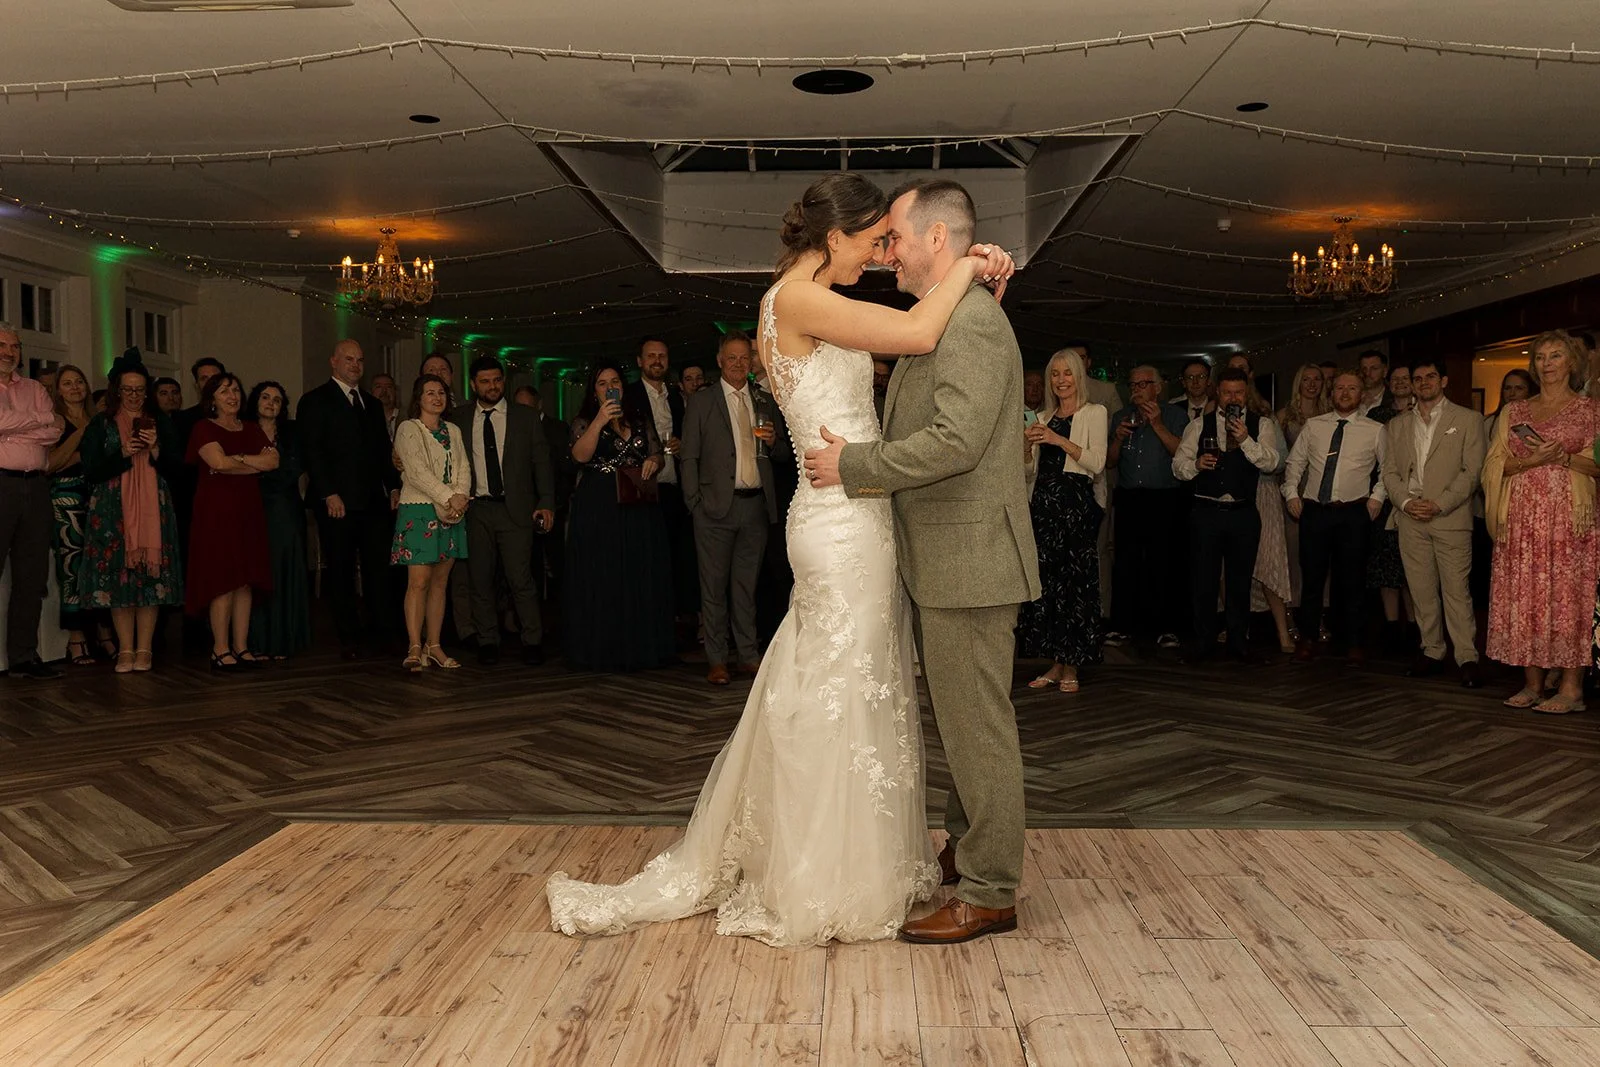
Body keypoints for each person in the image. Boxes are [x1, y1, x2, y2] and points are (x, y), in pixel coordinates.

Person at [548, 173, 1020, 947]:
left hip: (841, 511)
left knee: (836, 682)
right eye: (871, 243)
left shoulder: (797, 300)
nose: (877, 258)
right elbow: (916, 335)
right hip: (841, 518)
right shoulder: (798, 301)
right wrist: (969, 268)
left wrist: (970, 276)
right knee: (840, 686)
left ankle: (844, 855)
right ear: (833, 239)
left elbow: (923, 349)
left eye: (890, 244)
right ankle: (828, 870)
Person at [1485, 331, 1600, 713]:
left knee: (1569, 600)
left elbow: (1599, 465)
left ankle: (1571, 689)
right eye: (1540, 357)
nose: (1546, 364)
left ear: (1572, 363)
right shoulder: (1514, 411)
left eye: (1555, 356)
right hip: (1521, 520)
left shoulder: (1591, 411)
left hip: (1570, 522)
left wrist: (1563, 459)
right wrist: (1530, 461)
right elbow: (1492, 466)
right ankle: (1532, 684)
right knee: (1525, 598)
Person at [679, 331, 788, 684]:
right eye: (733, 358)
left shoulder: (763, 399)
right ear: (719, 361)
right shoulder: (702, 401)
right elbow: (689, 457)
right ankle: (716, 660)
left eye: (745, 358)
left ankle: (748, 655)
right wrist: (694, 502)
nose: (740, 364)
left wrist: (773, 442)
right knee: (713, 588)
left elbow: (784, 454)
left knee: (746, 587)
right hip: (712, 509)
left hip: (754, 507)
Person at [562, 361, 676, 672]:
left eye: (614, 381)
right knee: (604, 573)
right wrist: (600, 421)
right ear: (594, 390)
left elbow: (656, 453)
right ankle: (603, 648)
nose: (610, 386)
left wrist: (654, 461)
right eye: (602, 382)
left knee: (638, 571)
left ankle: (640, 647)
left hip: (637, 501)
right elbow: (579, 456)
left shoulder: (639, 419)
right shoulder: (584, 421)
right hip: (599, 505)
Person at [1380, 358, 1485, 688]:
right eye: (1417, 378)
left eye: (1429, 377)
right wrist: (1409, 503)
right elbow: (1390, 473)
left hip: (1450, 517)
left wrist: (1439, 504)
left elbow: (1472, 472)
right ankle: (1432, 651)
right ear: (1410, 384)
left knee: (1456, 592)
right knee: (1422, 591)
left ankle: (1466, 656)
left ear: (1444, 381)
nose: (1423, 382)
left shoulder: (1468, 420)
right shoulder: (1397, 425)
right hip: (1410, 518)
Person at [77, 355, 184, 673]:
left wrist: (154, 451)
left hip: (154, 508)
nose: (134, 395)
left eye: (140, 390)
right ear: (117, 391)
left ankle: (145, 649)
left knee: (149, 580)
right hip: (113, 509)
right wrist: (123, 454)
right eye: (128, 390)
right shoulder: (101, 423)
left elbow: (178, 468)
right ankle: (125, 649)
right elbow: (91, 470)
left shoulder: (161, 421)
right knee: (119, 580)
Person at [1173, 367, 1284, 663]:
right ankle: (1204, 642)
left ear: (1245, 393)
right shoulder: (1198, 425)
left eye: (1237, 392)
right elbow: (1178, 466)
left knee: (1239, 581)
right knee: (1204, 581)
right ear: (1217, 394)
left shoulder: (1262, 425)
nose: (1232, 397)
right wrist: (1196, 464)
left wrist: (1246, 439)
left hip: (1243, 513)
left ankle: (1238, 643)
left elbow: (1272, 463)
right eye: (1226, 392)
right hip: (1206, 511)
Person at [297, 340, 400, 660]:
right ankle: (348, 634)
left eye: (360, 360)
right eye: (349, 359)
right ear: (334, 362)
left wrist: (394, 486)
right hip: (336, 502)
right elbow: (311, 451)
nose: (355, 365)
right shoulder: (314, 400)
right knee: (340, 570)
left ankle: (380, 629)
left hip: (372, 502)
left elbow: (383, 451)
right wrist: (329, 492)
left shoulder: (370, 403)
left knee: (377, 569)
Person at [450, 356, 555, 666]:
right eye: (485, 381)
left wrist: (546, 501)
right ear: (473, 384)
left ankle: (532, 640)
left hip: (516, 509)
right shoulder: (459, 418)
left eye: (497, 380)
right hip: (476, 509)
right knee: (479, 579)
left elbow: (541, 463)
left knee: (520, 578)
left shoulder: (525, 417)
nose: (492, 386)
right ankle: (487, 640)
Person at [1284, 371, 1387, 665]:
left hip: (1354, 513)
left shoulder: (1375, 430)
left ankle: (1353, 641)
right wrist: (1291, 493)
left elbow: (1387, 470)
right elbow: (1295, 463)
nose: (1345, 393)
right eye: (1340, 388)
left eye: (1351, 388)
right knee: (1312, 578)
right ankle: (1307, 638)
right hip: (1315, 511)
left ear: (1362, 394)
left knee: (1353, 580)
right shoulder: (1314, 426)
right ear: (1332, 393)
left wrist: (1376, 499)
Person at [1020, 348, 1104, 690]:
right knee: (1049, 585)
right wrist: (1026, 447)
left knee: (1075, 585)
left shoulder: (1094, 413)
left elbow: (1097, 462)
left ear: (1078, 376)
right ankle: (1055, 663)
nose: (1060, 380)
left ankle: (1073, 666)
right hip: (1043, 506)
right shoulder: (1041, 417)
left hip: (1075, 504)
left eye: (1066, 373)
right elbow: (1028, 471)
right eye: (1054, 374)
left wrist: (1058, 439)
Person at [185, 372, 276, 668]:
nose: (232, 396)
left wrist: (237, 460)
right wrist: (250, 461)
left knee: (245, 581)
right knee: (223, 580)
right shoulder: (203, 428)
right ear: (212, 398)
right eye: (224, 391)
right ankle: (220, 648)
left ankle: (241, 647)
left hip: (248, 510)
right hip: (216, 512)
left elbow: (272, 461)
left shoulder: (250, 428)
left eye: (236, 390)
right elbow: (217, 463)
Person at [1104, 365, 1188, 649]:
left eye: (1143, 384)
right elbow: (1111, 461)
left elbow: (1182, 453)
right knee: (1126, 563)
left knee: (1163, 564)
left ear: (1158, 387)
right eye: (1133, 385)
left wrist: (1157, 424)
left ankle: (1167, 628)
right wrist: (1117, 438)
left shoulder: (1176, 415)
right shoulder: (1120, 417)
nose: (1137, 389)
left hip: (1164, 498)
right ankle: (1123, 627)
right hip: (1129, 498)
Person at [392, 373, 469, 671]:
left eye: (441, 393)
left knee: (440, 582)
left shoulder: (454, 430)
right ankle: (414, 646)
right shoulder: (408, 429)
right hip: (420, 510)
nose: (436, 398)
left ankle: (434, 645)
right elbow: (416, 472)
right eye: (429, 393)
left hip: (452, 511)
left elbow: (463, 466)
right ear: (418, 398)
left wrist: (460, 498)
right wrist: (449, 497)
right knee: (418, 583)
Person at [0, 324, 64, 679]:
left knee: (31, 574)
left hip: (37, 487)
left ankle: (23, 657)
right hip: (1, 485)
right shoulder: (39, 401)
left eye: (14, 346)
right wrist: (38, 421)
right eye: (2, 345)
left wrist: (14, 427)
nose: (9, 352)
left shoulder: (36, 388)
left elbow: (55, 430)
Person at [627, 337, 698, 646]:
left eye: (662, 355)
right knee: (643, 563)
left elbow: (688, 437)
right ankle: (644, 628)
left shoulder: (676, 397)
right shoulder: (628, 395)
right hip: (640, 490)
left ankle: (672, 627)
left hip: (672, 488)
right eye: (651, 356)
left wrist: (682, 444)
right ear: (640, 361)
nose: (657, 360)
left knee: (675, 562)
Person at [1228, 352, 1294, 653]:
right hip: (1231, 497)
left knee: (1268, 563)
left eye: (1242, 372)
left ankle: (1282, 633)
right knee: (1228, 567)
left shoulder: (1265, 419)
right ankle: (1232, 628)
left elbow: (1278, 463)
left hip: (1262, 494)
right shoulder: (1213, 418)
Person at [245, 381, 311, 660]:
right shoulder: (244, 431)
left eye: (277, 399)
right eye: (265, 397)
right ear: (255, 401)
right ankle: (257, 641)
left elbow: (293, 469)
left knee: (286, 571)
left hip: (286, 509)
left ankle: (284, 640)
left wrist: (256, 467)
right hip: (251, 509)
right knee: (257, 572)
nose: (271, 402)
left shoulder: (292, 432)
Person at [46, 365, 100, 666]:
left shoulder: (99, 419)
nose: (75, 387)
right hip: (67, 496)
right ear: (58, 390)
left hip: (99, 497)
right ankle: (76, 639)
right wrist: (81, 437)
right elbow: (52, 464)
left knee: (98, 562)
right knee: (72, 564)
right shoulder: (55, 421)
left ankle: (103, 633)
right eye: (67, 383)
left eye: (79, 381)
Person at [1365, 364, 1416, 646]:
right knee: (1387, 566)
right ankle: (1392, 628)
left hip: (1415, 499)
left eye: (1405, 378)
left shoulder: (1423, 414)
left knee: (1412, 568)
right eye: (1394, 379)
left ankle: (1416, 629)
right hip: (1384, 499)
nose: (1399, 383)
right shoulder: (1376, 415)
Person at [1277, 363, 1332, 618]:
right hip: (1294, 491)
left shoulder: (1331, 414)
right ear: (1298, 383)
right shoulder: (1283, 416)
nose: (1312, 384)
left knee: (1322, 554)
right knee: (1294, 552)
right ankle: (1292, 611)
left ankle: (1321, 612)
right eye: (1306, 379)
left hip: (1325, 490)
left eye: (1317, 379)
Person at [1170, 358, 1213, 424]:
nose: (1195, 382)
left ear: (1209, 380)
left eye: (1201, 376)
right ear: (1184, 383)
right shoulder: (1174, 409)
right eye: (1190, 377)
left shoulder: (1217, 407)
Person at [1356, 349, 1391, 416]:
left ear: (1385, 372)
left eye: (1374, 368)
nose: (1367, 373)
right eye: (1364, 369)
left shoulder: (1393, 400)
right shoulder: (1352, 398)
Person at [370, 372, 400, 441]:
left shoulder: (408, 417)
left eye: (389, 387)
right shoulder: (364, 419)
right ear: (371, 392)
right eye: (378, 387)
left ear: (395, 392)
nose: (384, 391)